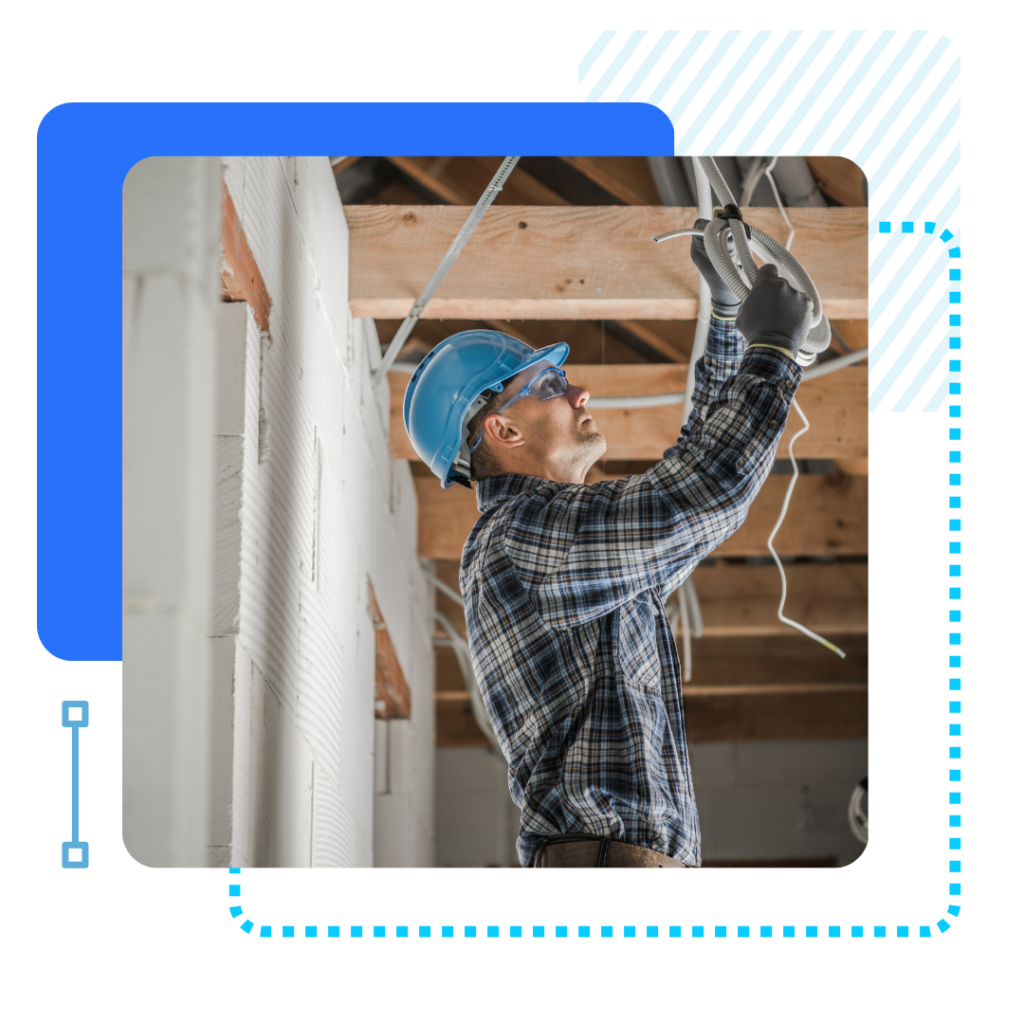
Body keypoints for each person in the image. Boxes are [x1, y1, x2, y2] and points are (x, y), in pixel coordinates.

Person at [403, 221, 814, 869]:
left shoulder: (549, 541)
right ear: (503, 428)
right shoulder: (521, 537)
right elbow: (705, 492)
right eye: (547, 386)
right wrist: (773, 353)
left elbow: (693, 472)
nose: (578, 391)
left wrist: (733, 322)